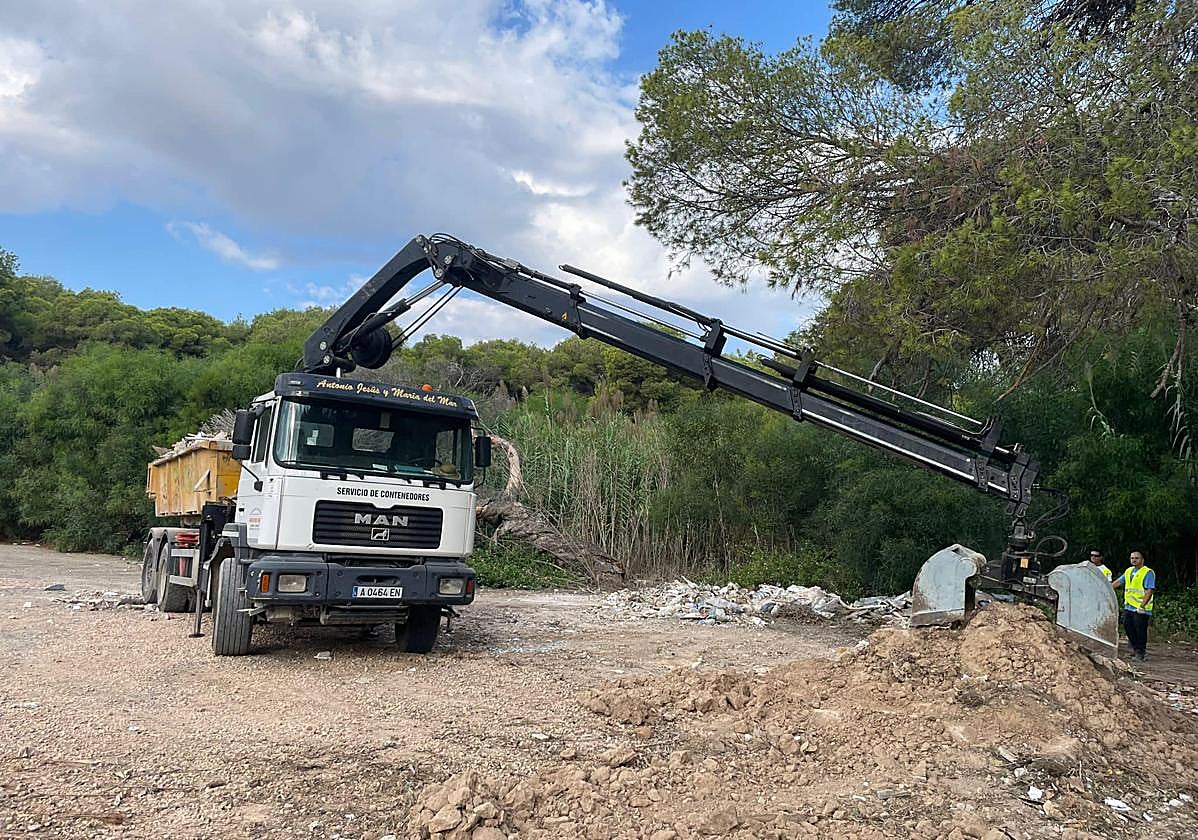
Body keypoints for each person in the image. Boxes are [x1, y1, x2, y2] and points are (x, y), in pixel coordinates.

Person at [1112, 551, 1155, 661]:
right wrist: (1107, 587)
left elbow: (1150, 590)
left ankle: (1141, 652)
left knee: (1140, 630)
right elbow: (1118, 582)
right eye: (1132, 558)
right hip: (1129, 606)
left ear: (1142, 560)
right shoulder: (1129, 571)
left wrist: (1142, 606)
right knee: (1128, 627)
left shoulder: (1147, 572)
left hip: (1141, 608)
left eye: (1136, 558)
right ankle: (1136, 649)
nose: (1134, 560)